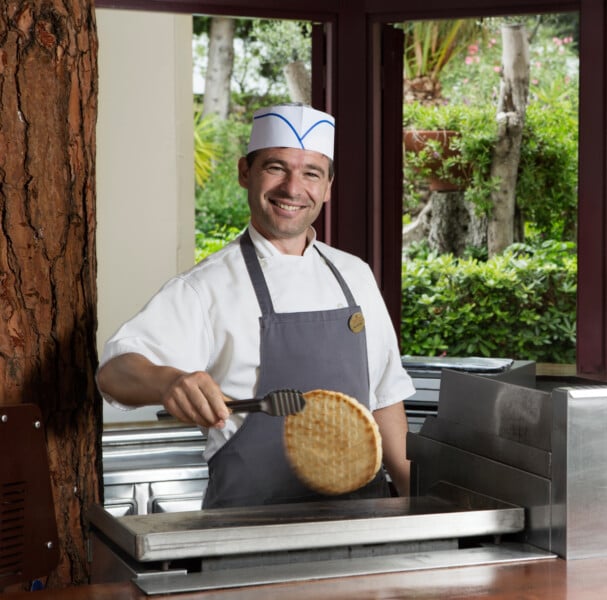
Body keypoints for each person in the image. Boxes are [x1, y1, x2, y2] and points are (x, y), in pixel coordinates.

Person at [96, 103, 416, 509]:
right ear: (245, 172)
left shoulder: (354, 275)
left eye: (311, 173)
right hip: (246, 536)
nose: (292, 188)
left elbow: (385, 397)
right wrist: (167, 382)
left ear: (328, 187)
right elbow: (114, 372)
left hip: (360, 527)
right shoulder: (207, 287)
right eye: (276, 167)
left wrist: (414, 505)